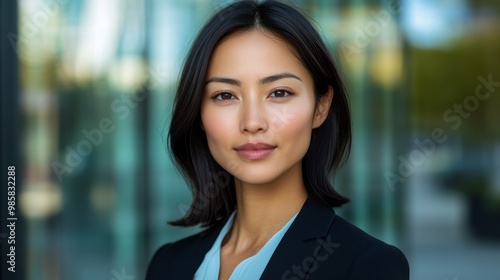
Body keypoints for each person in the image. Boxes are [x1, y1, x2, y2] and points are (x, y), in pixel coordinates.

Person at [146, 0, 409, 279]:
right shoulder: (167, 264)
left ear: (320, 106)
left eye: (279, 93)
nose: (252, 123)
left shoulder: (367, 266)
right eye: (225, 95)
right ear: (199, 112)